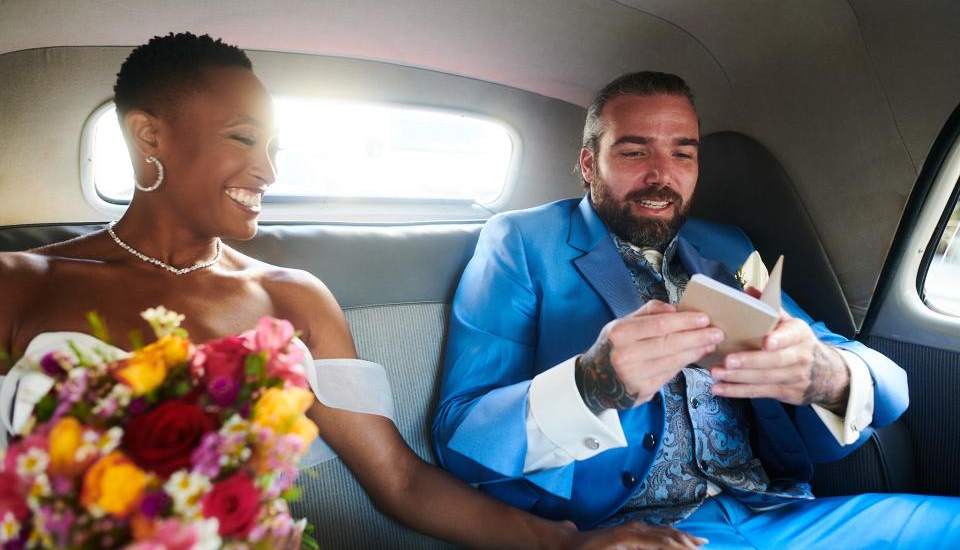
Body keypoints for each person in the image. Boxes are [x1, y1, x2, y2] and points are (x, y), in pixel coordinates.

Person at [0, 35, 706, 550]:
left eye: (275, 147)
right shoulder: (19, 284)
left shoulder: (293, 299)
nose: (268, 171)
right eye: (244, 140)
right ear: (149, 136)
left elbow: (400, 481)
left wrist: (570, 546)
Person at [432, 71, 960, 548]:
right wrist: (590, 384)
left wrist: (828, 375)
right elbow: (462, 434)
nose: (662, 175)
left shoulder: (729, 247)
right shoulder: (522, 242)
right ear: (590, 163)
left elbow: (883, 382)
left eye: (683, 154)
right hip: (631, 529)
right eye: (636, 152)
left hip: (782, 513)